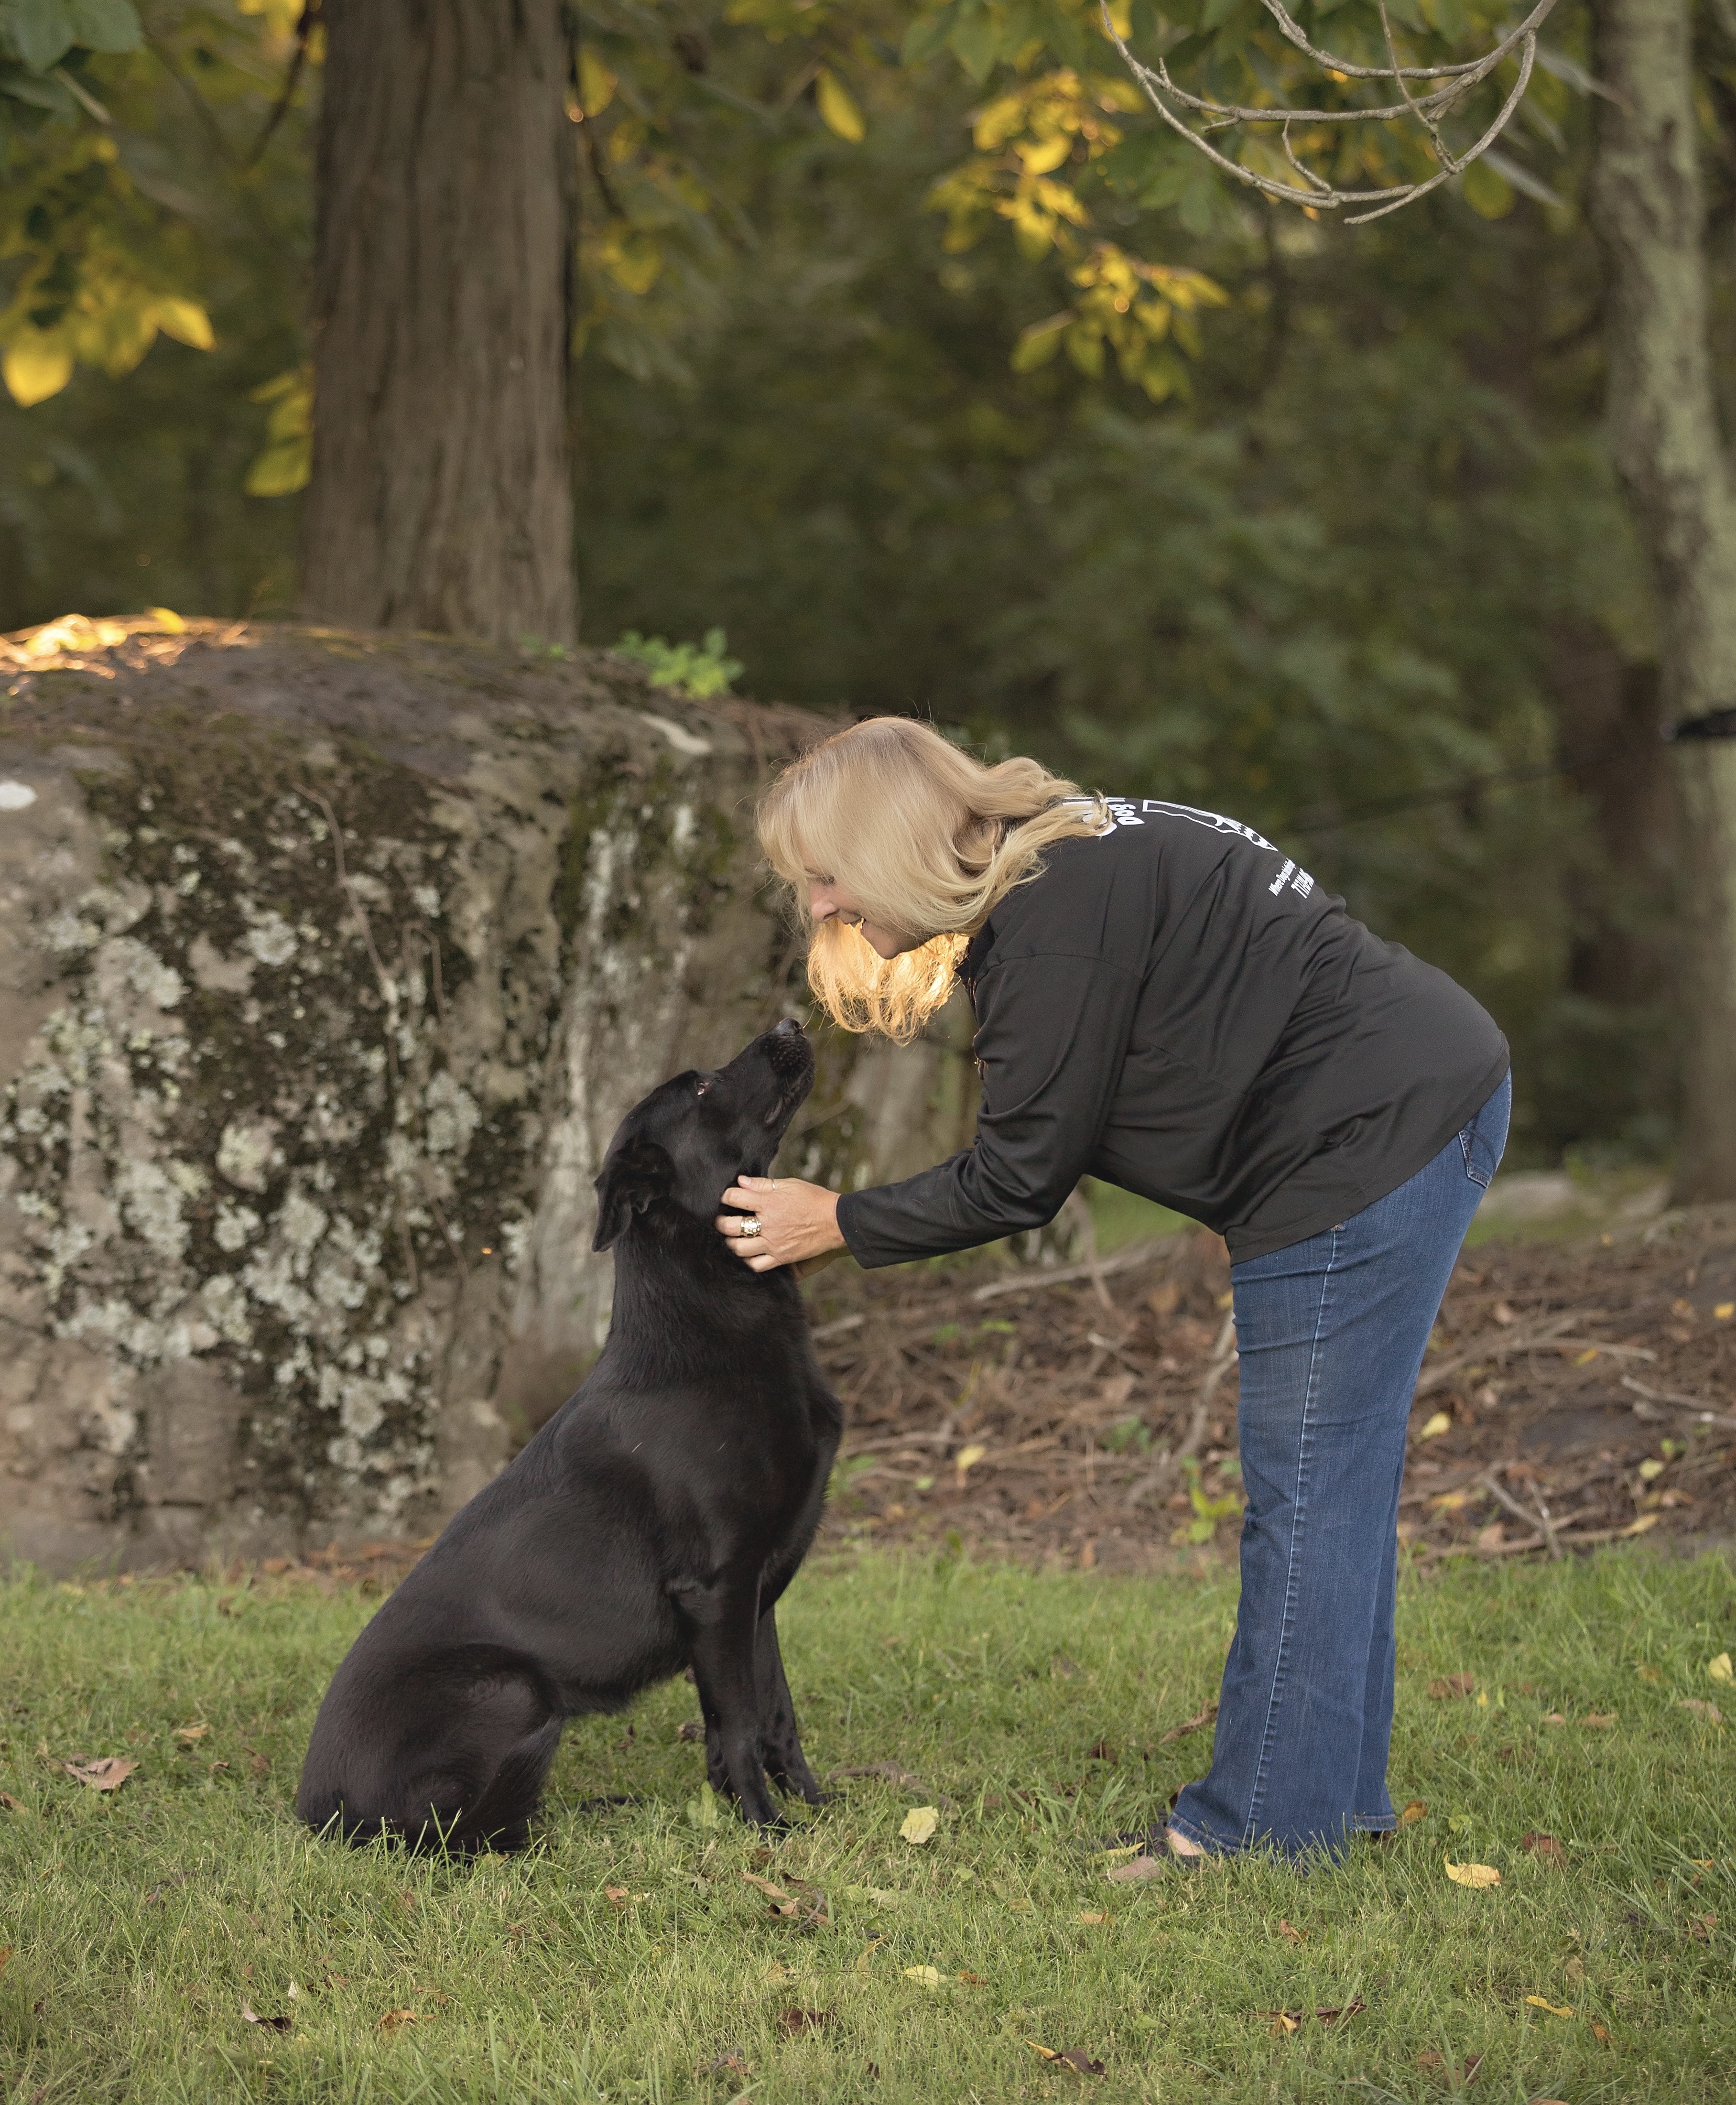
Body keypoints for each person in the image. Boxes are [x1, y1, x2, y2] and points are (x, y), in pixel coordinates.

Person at [713, 718, 1509, 1862]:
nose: (823, 908)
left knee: (1310, 1494)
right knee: (1334, 1488)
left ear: (887, 844)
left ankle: (1265, 1829)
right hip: (1416, 1100)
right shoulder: (1063, 856)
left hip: (1362, 1145)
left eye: (825, 875)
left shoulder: (1053, 923)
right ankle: (1326, 1799)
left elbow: (1019, 1176)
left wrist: (833, 1220)